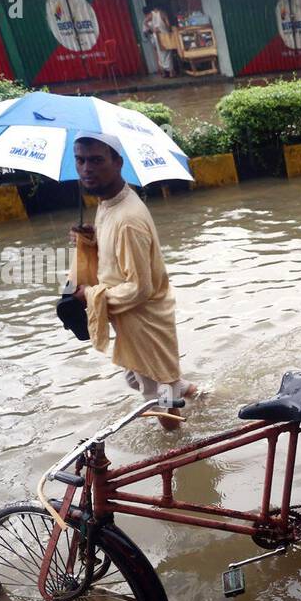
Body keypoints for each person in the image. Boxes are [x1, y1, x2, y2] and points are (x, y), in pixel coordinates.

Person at [68, 134, 195, 431]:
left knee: (157, 396)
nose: (87, 168)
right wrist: (91, 240)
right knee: (142, 378)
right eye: (80, 159)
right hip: (127, 316)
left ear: (117, 163)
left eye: (97, 160)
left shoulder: (128, 219)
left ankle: (179, 449)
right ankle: (197, 395)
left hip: (143, 318)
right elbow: (117, 257)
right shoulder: (108, 204)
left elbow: (139, 288)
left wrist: (90, 295)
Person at [143, 6, 177, 79]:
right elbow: (168, 24)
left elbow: (145, 22)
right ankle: (171, 72)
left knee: (160, 55)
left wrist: (152, 30)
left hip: (157, 37)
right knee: (168, 53)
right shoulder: (163, 13)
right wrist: (169, 31)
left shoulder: (151, 14)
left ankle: (164, 73)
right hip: (165, 36)